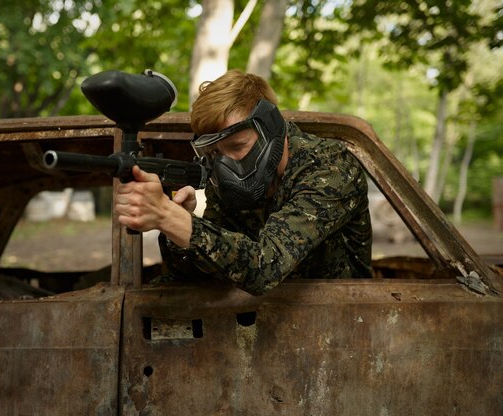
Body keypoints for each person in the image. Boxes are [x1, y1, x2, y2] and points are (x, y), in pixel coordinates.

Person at [114, 70, 372, 295]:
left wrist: (170, 217)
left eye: (237, 146)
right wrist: (177, 223)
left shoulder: (330, 167)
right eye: (215, 152)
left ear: (271, 128)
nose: (226, 162)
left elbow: (266, 266)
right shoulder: (229, 177)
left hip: (338, 326)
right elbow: (204, 271)